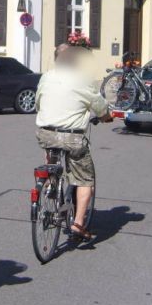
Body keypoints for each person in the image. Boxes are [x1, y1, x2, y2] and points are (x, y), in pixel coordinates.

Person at [35, 44, 111, 241]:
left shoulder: (46, 77)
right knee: (86, 179)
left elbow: (37, 103)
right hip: (72, 138)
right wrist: (106, 116)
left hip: (46, 133)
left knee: (51, 149)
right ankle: (78, 223)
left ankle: (51, 183)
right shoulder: (82, 79)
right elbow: (99, 106)